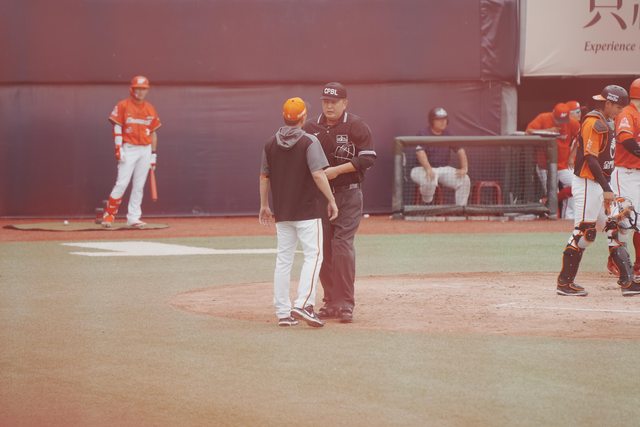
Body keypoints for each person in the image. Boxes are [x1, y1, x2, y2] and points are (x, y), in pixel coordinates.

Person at [259, 97, 338, 327]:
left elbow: (264, 176)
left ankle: (283, 313)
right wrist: (331, 199)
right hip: (308, 211)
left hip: (283, 212)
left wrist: (264, 205)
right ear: (303, 118)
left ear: (284, 117)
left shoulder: (270, 143)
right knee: (314, 256)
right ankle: (303, 304)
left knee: (284, 259)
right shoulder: (309, 141)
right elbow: (318, 174)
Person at [556, 84, 640, 297]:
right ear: (608, 103)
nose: (620, 112)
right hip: (588, 182)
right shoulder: (594, 122)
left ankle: (627, 282)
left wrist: (606, 186)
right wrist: (606, 188)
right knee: (584, 232)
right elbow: (591, 159)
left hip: (600, 182)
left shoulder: (607, 121)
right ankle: (565, 283)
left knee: (614, 227)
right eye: (618, 107)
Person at [303, 82, 376, 323]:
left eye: (334, 102)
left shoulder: (356, 125)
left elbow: (367, 158)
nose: (329, 106)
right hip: (320, 196)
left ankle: (345, 302)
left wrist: (335, 171)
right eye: (326, 101)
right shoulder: (311, 127)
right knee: (323, 247)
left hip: (348, 194)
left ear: (345, 103)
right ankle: (331, 301)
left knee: (342, 245)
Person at [101, 76, 161, 228]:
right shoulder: (123, 105)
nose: (140, 92)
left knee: (139, 185)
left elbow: (153, 133)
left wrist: (153, 155)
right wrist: (118, 147)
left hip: (145, 149)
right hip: (129, 148)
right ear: (131, 89)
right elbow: (117, 126)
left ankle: (133, 217)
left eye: (143, 89)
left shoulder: (150, 108)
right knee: (122, 183)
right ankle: (109, 215)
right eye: (138, 89)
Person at [608, 78, 640, 278]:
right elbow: (627, 140)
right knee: (625, 220)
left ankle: (638, 266)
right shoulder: (627, 113)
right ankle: (615, 259)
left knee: (639, 221)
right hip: (625, 173)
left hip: (637, 172)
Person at [526, 103, 580, 218]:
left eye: (563, 120)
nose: (561, 123)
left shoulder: (572, 122)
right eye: (559, 120)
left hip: (564, 164)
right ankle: (552, 216)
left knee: (576, 186)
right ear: (553, 114)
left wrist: (572, 156)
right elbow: (528, 132)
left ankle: (568, 216)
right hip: (545, 165)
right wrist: (547, 131)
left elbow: (580, 137)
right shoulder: (543, 118)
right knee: (552, 192)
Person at [409, 107, 470, 206]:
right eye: (439, 119)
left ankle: (461, 209)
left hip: (443, 170)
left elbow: (461, 150)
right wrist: (428, 168)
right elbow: (420, 153)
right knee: (430, 179)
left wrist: (464, 168)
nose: (443, 122)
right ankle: (427, 203)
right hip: (421, 169)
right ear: (432, 121)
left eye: (445, 119)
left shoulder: (448, 134)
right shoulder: (423, 133)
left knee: (464, 179)